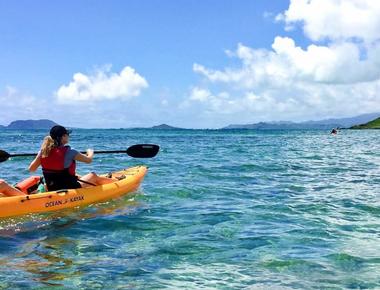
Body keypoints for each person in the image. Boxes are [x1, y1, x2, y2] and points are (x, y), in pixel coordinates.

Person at [29, 125, 115, 191]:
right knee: (93, 175)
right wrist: (90, 152)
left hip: (52, 187)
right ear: (63, 137)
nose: (68, 136)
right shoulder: (70, 152)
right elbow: (89, 160)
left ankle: (109, 180)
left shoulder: (43, 152)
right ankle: (117, 183)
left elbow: (32, 169)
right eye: (67, 134)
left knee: (76, 175)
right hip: (70, 187)